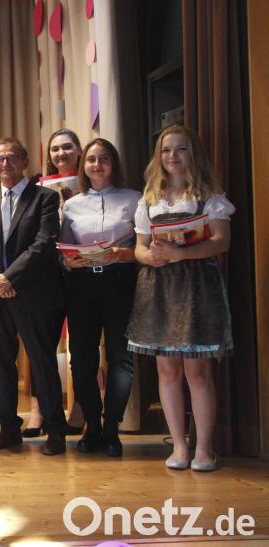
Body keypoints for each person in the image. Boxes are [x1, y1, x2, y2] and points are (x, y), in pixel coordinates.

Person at [127, 124, 234, 472]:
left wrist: (181, 254)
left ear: (193, 153)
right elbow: (139, 248)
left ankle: (204, 449)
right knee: (167, 369)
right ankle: (179, 446)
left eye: (181, 149)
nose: (172, 156)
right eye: (166, 150)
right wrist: (151, 257)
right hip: (158, 286)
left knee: (197, 370)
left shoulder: (209, 195)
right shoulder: (150, 199)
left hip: (197, 285)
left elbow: (221, 241)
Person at [0, 137, 68, 455]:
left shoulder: (45, 198)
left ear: (25, 161)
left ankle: (55, 431)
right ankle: (8, 428)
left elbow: (44, 243)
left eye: (11, 157)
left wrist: (10, 278)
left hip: (33, 292)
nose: (5, 163)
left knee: (42, 362)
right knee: (0, 363)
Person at [60, 139, 141, 457]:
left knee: (121, 358)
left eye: (103, 158)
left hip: (120, 281)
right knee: (82, 359)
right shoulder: (72, 205)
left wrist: (121, 253)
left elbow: (144, 248)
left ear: (113, 163)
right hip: (82, 284)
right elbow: (64, 250)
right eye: (91, 159)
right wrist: (70, 262)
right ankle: (92, 425)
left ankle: (111, 429)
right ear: (84, 166)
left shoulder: (134, 199)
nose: (97, 165)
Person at [23, 128, 86, 437]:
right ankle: (38, 411)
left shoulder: (90, 184)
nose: (61, 153)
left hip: (81, 272)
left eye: (67, 147)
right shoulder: (37, 187)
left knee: (82, 348)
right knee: (42, 348)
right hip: (45, 274)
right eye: (55, 149)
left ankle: (80, 410)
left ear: (79, 150)